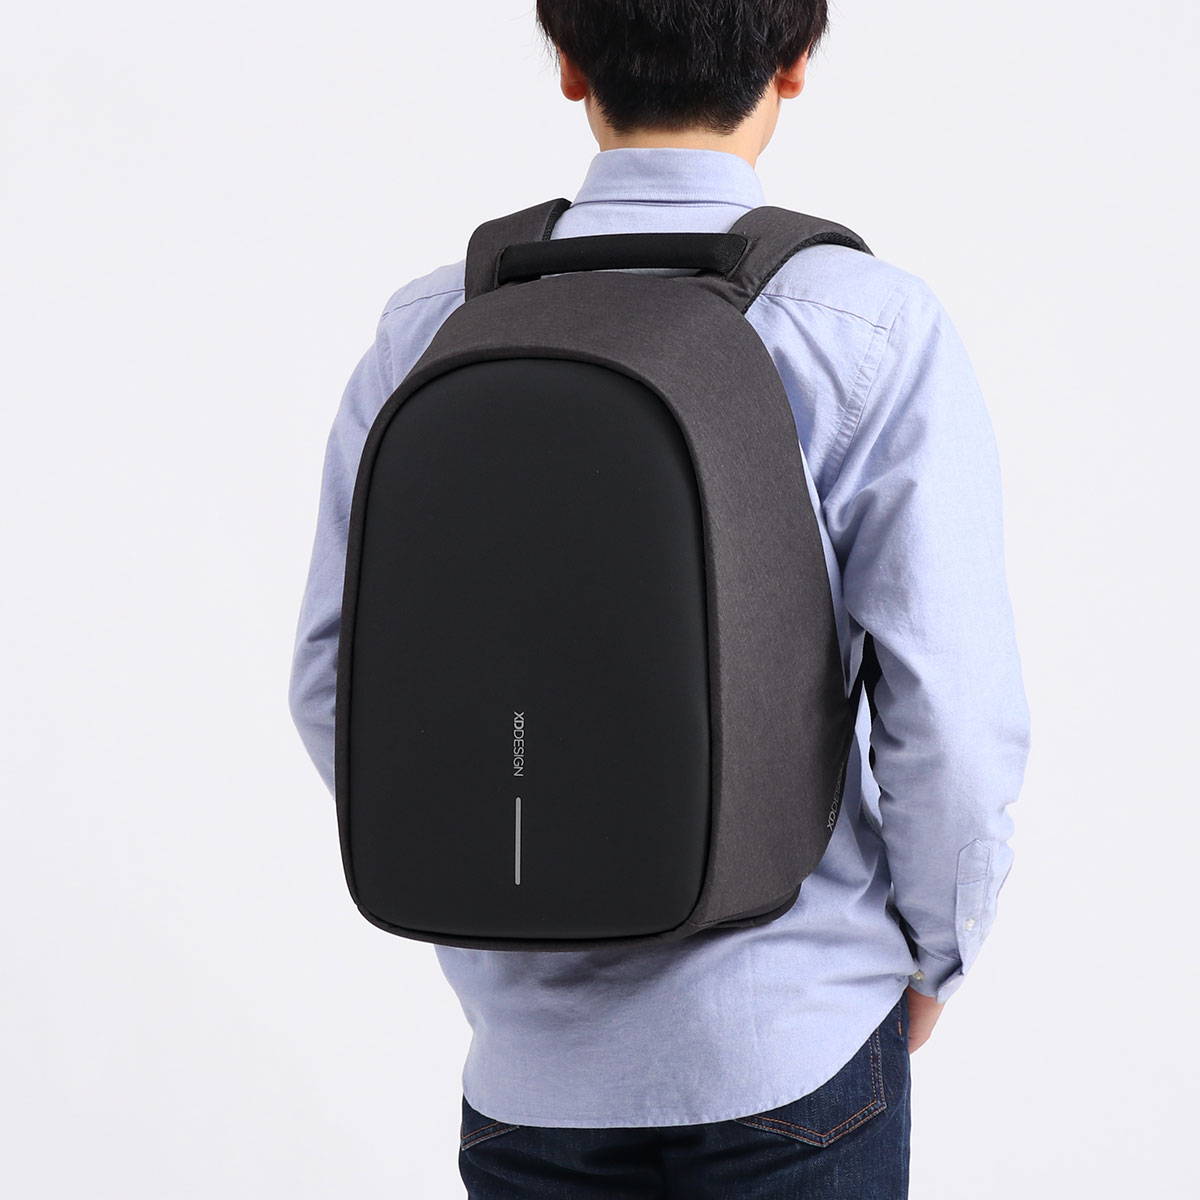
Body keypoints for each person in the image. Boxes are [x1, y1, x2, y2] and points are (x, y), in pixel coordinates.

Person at [288, 2, 1030, 1195]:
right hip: (793, 1038)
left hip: (529, 1074)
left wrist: (502, 902)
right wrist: (935, 957)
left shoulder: (434, 323)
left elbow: (336, 681)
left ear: (568, 63)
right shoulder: (866, 324)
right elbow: (950, 714)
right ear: (794, 62)